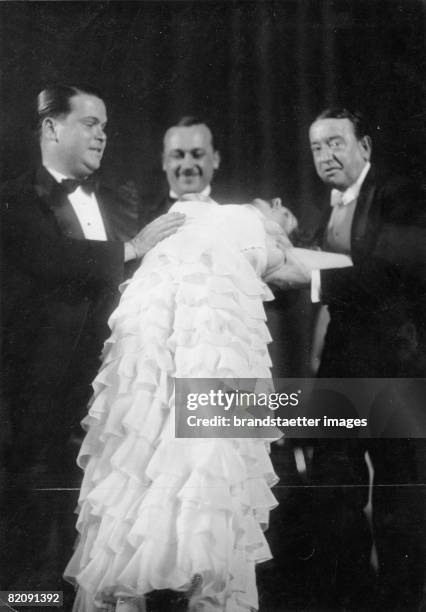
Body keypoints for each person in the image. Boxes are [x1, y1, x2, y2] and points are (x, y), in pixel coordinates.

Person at [64, 194, 298, 612]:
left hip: (160, 319)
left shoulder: (223, 221)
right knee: (181, 468)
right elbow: (292, 266)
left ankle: (142, 593)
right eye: (283, 215)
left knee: (142, 463)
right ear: (273, 206)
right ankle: (202, 593)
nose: (283, 219)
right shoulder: (242, 220)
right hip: (192, 324)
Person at [0, 84, 184, 593]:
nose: (102, 134)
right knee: (36, 539)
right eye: (89, 123)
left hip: (106, 400)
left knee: (98, 539)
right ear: (51, 127)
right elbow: (49, 259)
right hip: (37, 402)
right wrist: (132, 248)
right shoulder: (12, 197)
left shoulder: (115, 200)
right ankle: (28, 604)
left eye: (105, 125)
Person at [274, 107, 426, 609]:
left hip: (395, 372)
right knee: (335, 495)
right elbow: (323, 270)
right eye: (316, 147)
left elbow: (393, 274)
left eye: (336, 142)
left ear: (365, 147)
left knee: (400, 504)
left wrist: (311, 277)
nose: (325, 156)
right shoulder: (330, 209)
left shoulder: (400, 195)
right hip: (341, 371)